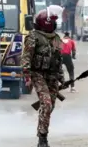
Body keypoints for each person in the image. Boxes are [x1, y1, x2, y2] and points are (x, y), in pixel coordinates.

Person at [21, 8, 65, 147]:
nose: (54, 24)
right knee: (46, 104)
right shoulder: (33, 37)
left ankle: (42, 127)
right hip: (38, 74)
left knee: (49, 107)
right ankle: (42, 138)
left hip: (52, 76)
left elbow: (59, 59)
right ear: (46, 23)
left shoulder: (56, 38)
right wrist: (27, 75)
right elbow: (26, 57)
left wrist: (61, 77)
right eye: (52, 22)